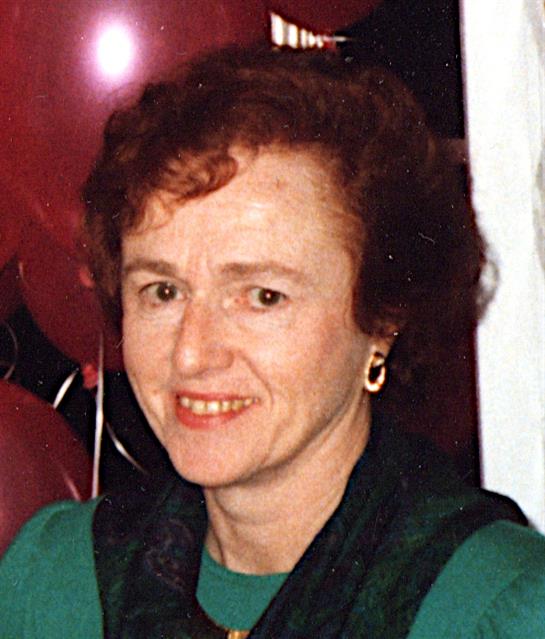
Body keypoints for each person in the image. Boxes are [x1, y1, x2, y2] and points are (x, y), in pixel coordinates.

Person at [1, 45, 544, 639]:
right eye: (163, 291)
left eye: (262, 296)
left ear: (381, 319)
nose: (191, 353)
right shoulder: (57, 581)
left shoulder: (495, 606)